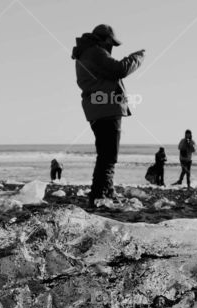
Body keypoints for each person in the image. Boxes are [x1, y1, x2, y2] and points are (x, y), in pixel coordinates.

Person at [72, 24, 144, 207]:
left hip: (97, 108)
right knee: (108, 156)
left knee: (105, 154)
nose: (111, 48)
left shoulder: (87, 52)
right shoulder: (95, 52)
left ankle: (105, 192)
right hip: (106, 108)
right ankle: (100, 195)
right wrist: (137, 57)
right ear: (104, 39)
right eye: (111, 43)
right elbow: (120, 69)